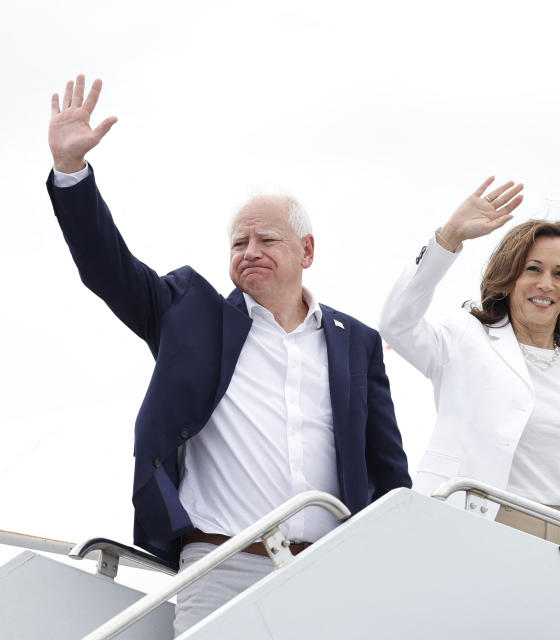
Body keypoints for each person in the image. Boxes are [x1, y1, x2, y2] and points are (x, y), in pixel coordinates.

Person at [46, 75, 410, 633]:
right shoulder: (190, 312)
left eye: (267, 240)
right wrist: (71, 173)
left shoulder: (355, 341)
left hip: (331, 572)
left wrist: (399, 560)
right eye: (239, 243)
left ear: (306, 250)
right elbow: (107, 268)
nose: (250, 252)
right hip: (219, 567)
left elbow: (387, 469)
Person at [380, 177, 560, 551]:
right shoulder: (465, 339)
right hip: (486, 530)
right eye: (532, 269)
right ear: (509, 278)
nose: (545, 284)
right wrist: (449, 237)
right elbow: (397, 323)